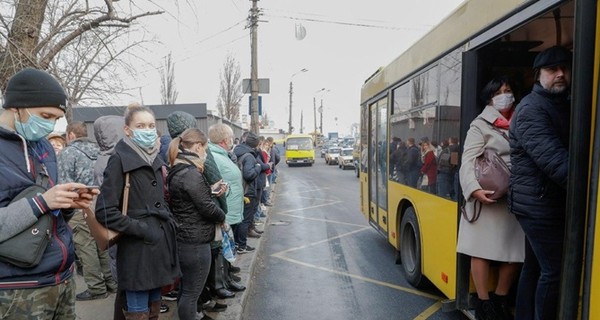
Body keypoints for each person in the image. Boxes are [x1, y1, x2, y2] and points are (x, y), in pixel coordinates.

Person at [0, 68, 98, 319]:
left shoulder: (43, 146)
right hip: (16, 289)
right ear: (16, 106)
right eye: (45, 115)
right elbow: (38, 205)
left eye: (56, 118)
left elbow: (48, 216)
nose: (50, 125)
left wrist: (66, 204)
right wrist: (42, 202)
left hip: (61, 278)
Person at [95, 104, 179, 319]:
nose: (147, 130)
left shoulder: (154, 158)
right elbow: (104, 211)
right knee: (136, 309)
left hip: (158, 245)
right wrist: (141, 229)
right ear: (127, 130)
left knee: (154, 306)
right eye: (140, 125)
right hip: (136, 249)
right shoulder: (119, 159)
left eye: (151, 125)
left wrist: (167, 222)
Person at [509, 46, 571, 320]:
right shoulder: (531, 110)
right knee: (555, 270)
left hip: (541, 200)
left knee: (535, 267)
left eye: (565, 68)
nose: (560, 74)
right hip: (538, 205)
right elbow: (556, 162)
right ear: (538, 75)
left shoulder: (560, 103)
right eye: (552, 70)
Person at [458, 76, 524, 320]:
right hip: (487, 195)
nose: (505, 95)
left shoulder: (522, 117)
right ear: (490, 98)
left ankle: (499, 299)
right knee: (481, 250)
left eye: (508, 90)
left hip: (516, 195)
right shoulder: (480, 124)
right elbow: (467, 161)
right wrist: (474, 189)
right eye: (499, 92)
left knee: (515, 252)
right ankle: (483, 304)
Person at [167, 128, 226, 320]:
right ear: (199, 146)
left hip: (186, 238)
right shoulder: (190, 173)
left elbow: (193, 199)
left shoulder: (179, 167)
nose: (205, 153)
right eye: (205, 148)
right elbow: (207, 207)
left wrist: (208, 191)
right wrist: (222, 215)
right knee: (191, 293)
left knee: (186, 290)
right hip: (195, 241)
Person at [57, 121, 117, 301]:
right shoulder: (100, 151)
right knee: (102, 242)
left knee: (85, 245)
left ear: (71, 135)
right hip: (100, 202)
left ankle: (96, 287)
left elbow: (63, 183)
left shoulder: (68, 153)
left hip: (79, 204)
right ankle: (111, 282)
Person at [232, 132, 264, 253]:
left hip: (239, 189)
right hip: (247, 191)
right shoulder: (249, 156)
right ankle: (242, 245)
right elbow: (249, 174)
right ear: (255, 145)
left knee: (240, 219)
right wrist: (258, 167)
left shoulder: (237, 151)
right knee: (245, 219)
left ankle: (236, 243)